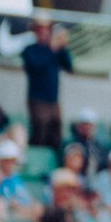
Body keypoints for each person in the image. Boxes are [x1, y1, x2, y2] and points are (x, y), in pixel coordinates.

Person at [20, 20, 73, 148]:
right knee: (40, 131)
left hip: (53, 100)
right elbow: (36, 66)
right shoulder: (30, 50)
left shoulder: (56, 51)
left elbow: (69, 66)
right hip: (37, 99)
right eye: (40, 29)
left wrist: (63, 47)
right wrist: (52, 48)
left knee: (56, 133)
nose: (44, 32)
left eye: (46, 29)